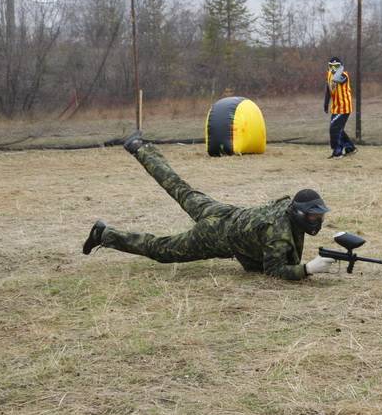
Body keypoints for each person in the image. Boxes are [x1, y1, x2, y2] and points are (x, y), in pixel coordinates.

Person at [82, 131, 337, 280]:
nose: (317, 221)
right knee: (161, 249)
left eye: (318, 216)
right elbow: (274, 270)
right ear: (298, 213)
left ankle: (140, 147)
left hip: (223, 212)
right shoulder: (278, 234)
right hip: (214, 235)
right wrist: (307, 269)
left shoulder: (285, 206)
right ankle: (104, 234)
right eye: (313, 217)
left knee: (178, 186)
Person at [323, 56, 357, 159]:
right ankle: (350, 148)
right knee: (338, 129)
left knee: (334, 128)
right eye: (331, 66)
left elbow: (339, 80)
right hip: (335, 107)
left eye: (336, 66)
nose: (333, 69)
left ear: (341, 67)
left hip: (344, 107)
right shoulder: (329, 74)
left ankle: (337, 152)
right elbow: (328, 89)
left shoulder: (344, 75)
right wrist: (326, 103)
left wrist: (339, 70)